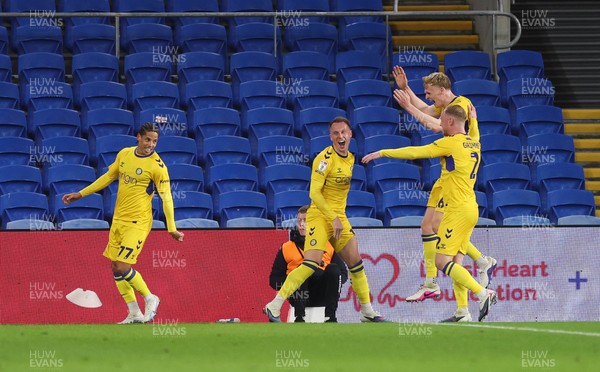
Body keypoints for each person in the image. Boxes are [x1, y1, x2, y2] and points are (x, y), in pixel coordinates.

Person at [363, 105, 497, 322]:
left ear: (452, 123)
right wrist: (474, 119)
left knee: (442, 261)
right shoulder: (474, 141)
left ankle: (483, 293)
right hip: (471, 207)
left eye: (443, 121)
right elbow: (474, 131)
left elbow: (416, 152)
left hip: (457, 209)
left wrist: (382, 152)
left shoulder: (450, 143)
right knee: (456, 261)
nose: (440, 124)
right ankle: (463, 312)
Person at [263, 116, 387, 322]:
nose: (340, 136)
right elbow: (314, 193)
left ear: (350, 135)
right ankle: (274, 306)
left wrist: (339, 218)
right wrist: (332, 218)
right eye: (336, 133)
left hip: (339, 218)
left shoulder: (350, 158)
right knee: (310, 263)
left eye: (343, 132)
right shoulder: (324, 159)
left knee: (356, 263)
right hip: (320, 216)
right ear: (331, 137)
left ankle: (367, 311)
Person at [62, 123, 185, 324]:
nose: (151, 145)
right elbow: (109, 176)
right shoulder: (125, 154)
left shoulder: (158, 166)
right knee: (115, 266)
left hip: (138, 222)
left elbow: (167, 198)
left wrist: (171, 227)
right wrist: (81, 194)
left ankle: (149, 297)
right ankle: (134, 312)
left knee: (122, 264)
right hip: (118, 219)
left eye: (154, 141)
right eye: (147, 139)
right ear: (139, 137)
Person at [392, 68, 497, 304]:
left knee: (444, 241)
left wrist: (407, 105)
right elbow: (427, 111)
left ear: (442, 89)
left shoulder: (461, 105)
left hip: (456, 179)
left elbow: (436, 126)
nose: (428, 97)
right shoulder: (445, 105)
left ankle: (447, 290)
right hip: (447, 175)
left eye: (430, 93)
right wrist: (405, 88)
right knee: (428, 225)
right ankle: (472, 273)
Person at [269, 205, 348, 323]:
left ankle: (331, 317)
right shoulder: (286, 247)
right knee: (301, 271)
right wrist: (290, 286)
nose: (301, 224)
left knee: (333, 269)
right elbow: (274, 279)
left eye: (306, 221)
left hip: (323, 293)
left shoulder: (327, 244)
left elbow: (343, 274)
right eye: (299, 220)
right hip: (298, 295)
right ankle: (299, 317)